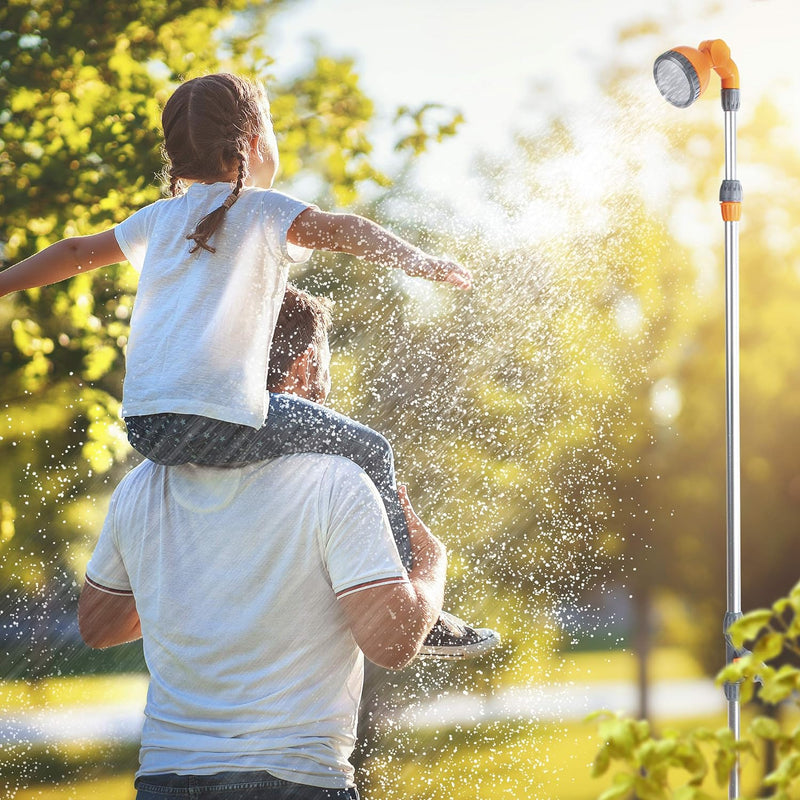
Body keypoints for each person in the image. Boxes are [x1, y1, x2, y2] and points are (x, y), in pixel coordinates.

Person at [0, 72, 481, 654]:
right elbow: (346, 229)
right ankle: (413, 605)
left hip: (148, 428)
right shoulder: (262, 210)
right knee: (371, 449)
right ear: (254, 144)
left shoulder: (157, 219)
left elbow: (75, 253)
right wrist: (419, 260)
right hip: (221, 418)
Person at [77, 285, 451, 800]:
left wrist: (201, 589)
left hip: (165, 779)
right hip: (291, 779)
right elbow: (392, 643)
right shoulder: (337, 480)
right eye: (324, 364)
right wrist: (430, 569)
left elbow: (98, 627)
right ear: (300, 368)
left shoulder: (143, 484)